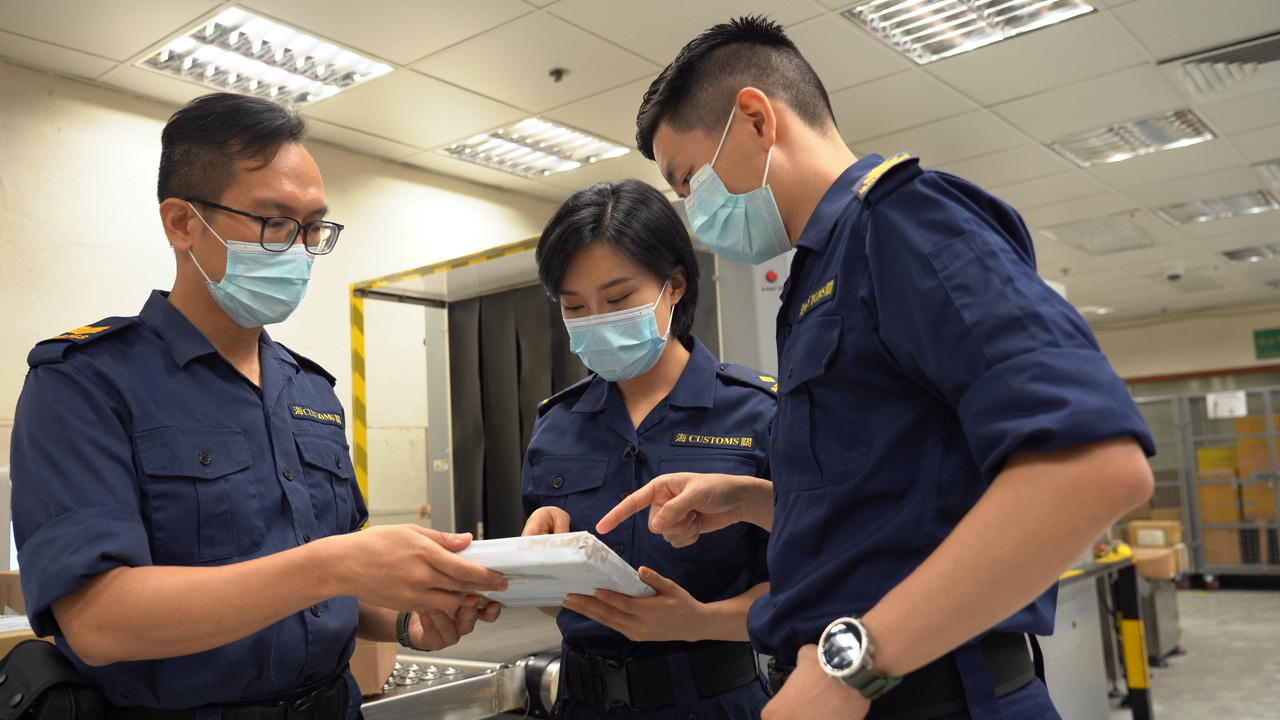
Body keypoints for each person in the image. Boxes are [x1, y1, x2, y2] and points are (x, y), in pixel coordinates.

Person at [597, 16, 1156, 720]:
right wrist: (755, 502)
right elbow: (904, 505)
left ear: (756, 119)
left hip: (932, 694)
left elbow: (1094, 467)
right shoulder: (819, 272)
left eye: (689, 181)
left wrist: (850, 670)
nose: (693, 209)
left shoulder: (901, 222)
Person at [9, 92, 507, 719]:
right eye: (274, 223)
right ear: (182, 223)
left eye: (313, 227)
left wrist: (408, 617)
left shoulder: (310, 391)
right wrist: (332, 565)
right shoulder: (85, 384)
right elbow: (99, 622)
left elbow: (338, 585)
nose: (299, 249)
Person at [521, 179, 775, 719]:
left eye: (617, 300)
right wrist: (538, 565)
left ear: (674, 285)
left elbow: (808, 585)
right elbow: (552, 603)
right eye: (574, 306)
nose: (597, 319)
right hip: (580, 702)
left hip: (712, 700)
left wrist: (699, 622)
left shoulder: (757, 414)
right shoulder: (556, 425)